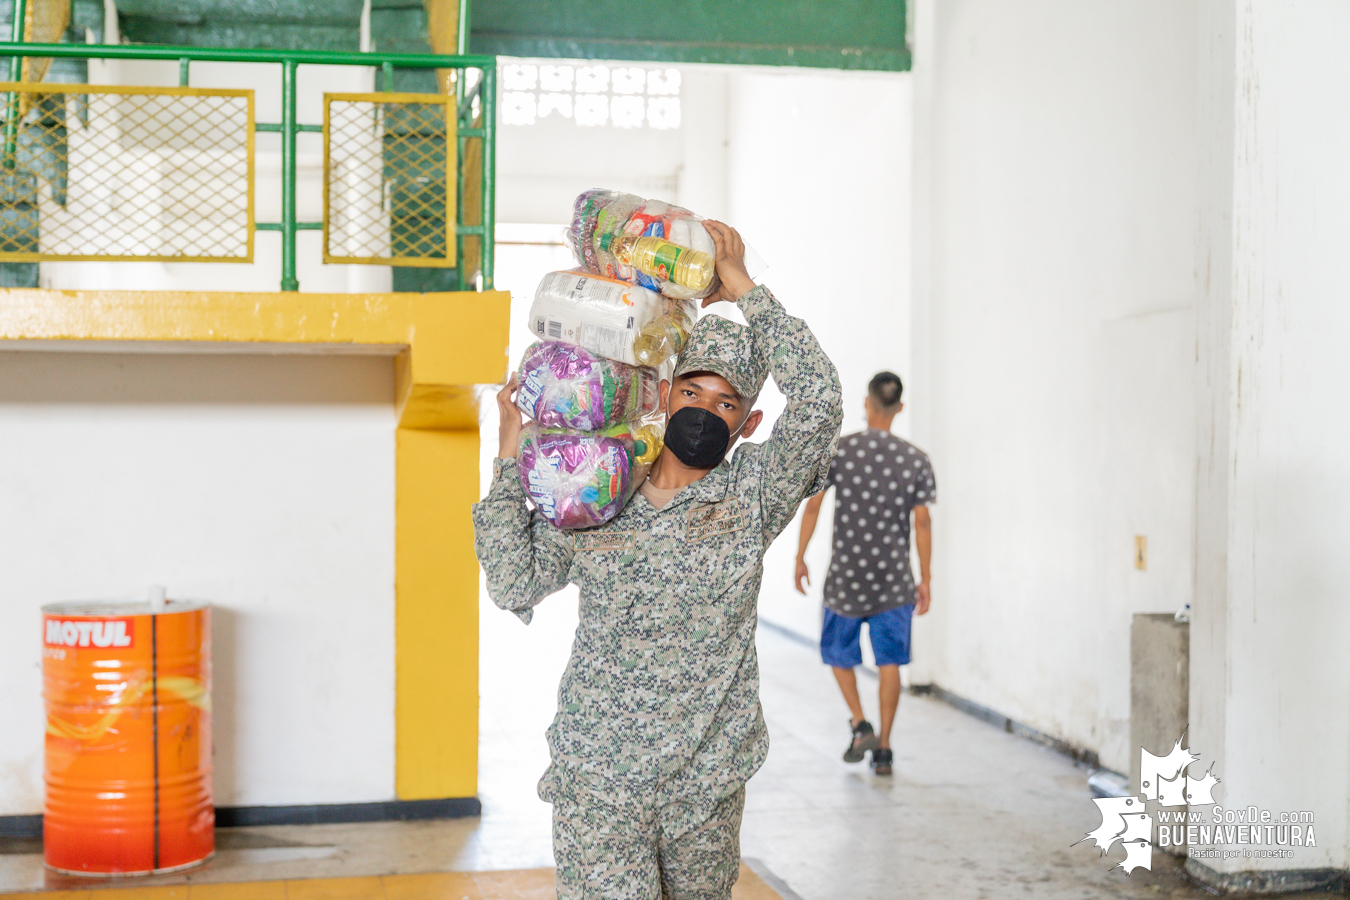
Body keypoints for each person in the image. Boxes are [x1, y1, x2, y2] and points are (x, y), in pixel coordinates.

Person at [473, 221, 842, 900]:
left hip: (705, 782)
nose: (705, 410)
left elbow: (818, 401)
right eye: (692, 392)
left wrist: (743, 290)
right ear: (663, 394)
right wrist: (509, 455)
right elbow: (512, 580)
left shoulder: (754, 493)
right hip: (600, 777)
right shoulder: (600, 487)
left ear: (748, 424)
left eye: (726, 403)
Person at [793, 371, 935, 776]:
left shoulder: (841, 451)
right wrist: (926, 578)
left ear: (867, 404)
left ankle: (860, 723)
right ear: (899, 408)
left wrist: (799, 556)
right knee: (890, 661)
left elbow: (815, 506)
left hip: (846, 579)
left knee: (838, 653)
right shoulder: (916, 460)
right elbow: (922, 523)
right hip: (894, 581)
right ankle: (885, 749)